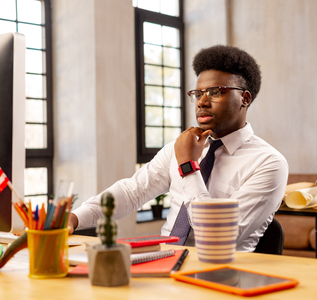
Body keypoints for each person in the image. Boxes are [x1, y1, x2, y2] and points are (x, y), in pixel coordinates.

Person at [69, 45, 288, 252]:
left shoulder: (268, 163)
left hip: (221, 276)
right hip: (162, 260)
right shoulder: (182, 146)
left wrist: (188, 165)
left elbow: (218, 237)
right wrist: (74, 218)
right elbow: (132, 191)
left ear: (245, 98)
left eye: (214, 92)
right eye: (197, 93)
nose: (201, 102)